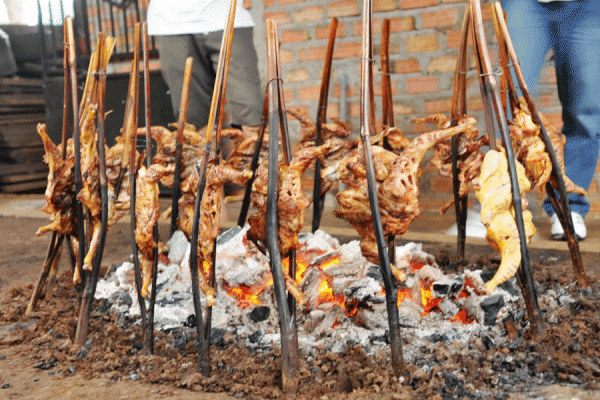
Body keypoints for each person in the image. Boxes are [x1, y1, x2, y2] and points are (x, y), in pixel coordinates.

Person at [502, 0, 600, 241]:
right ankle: (500, 201)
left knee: (586, 108)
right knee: (510, 103)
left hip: (586, 7)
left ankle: (569, 206)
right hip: (525, 3)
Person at [147, 0, 263, 129]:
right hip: (170, 22)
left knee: (250, 109)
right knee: (193, 117)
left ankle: (256, 148)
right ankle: (206, 149)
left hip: (228, 16)